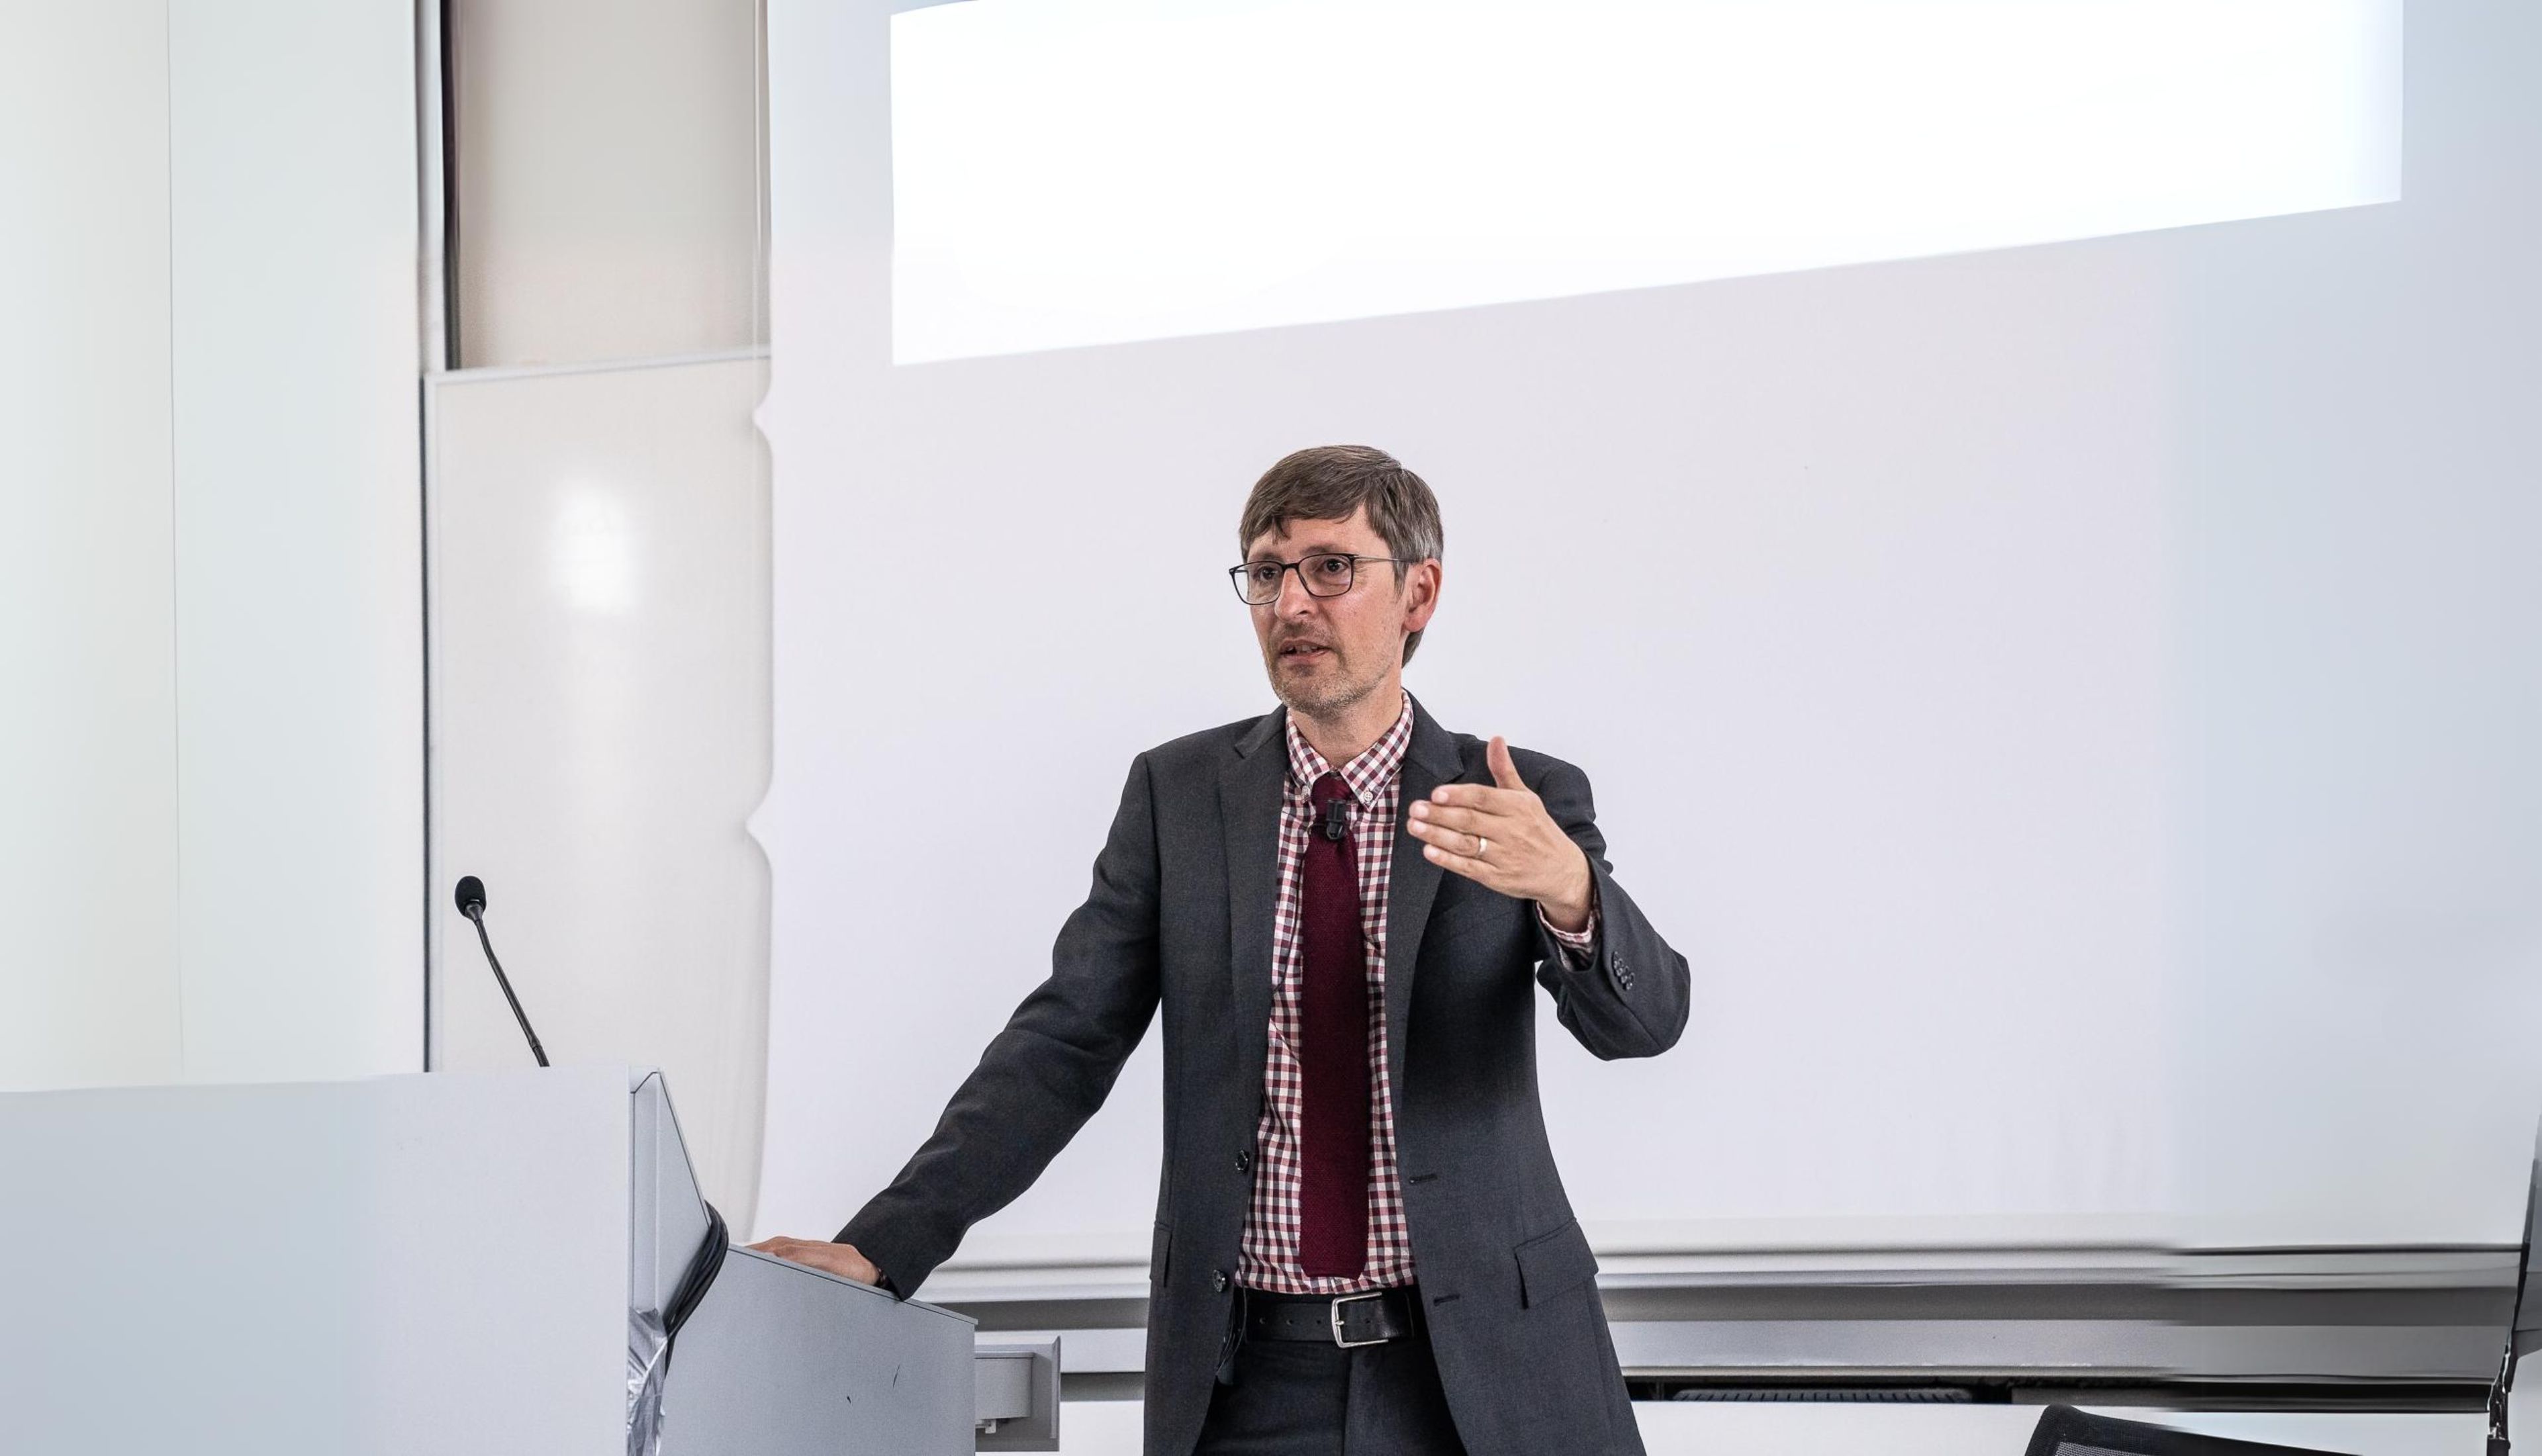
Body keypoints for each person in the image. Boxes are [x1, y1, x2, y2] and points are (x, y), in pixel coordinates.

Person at [751, 445, 1690, 1455]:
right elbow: (1062, 1045)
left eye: (1332, 567)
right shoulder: (1180, 797)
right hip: (1252, 1381)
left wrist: (1571, 890)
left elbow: (1645, 1026)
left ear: (1419, 591)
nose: (1292, 603)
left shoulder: (1511, 796)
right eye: (1267, 571)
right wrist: (881, 1248)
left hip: (1489, 1372)